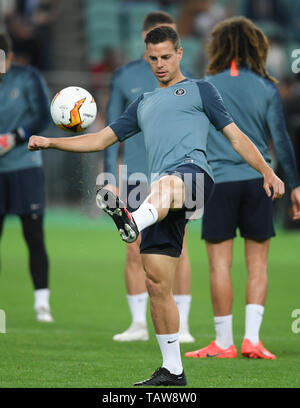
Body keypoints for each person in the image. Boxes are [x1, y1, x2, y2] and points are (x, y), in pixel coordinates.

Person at [28, 26, 284, 386]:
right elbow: (101, 139)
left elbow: (235, 135)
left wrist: (266, 171)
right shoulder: (143, 102)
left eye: (167, 56)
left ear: (179, 54)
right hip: (161, 200)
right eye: (153, 58)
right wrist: (50, 142)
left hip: (194, 177)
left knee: (164, 184)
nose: (160, 63)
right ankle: (172, 370)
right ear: (146, 57)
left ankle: (131, 219)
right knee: (156, 282)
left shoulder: (201, 90)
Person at [185, 16, 300, 361]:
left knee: (220, 266)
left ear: (217, 47)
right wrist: (295, 185)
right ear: (256, 47)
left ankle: (223, 343)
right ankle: (252, 340)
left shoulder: (205, 85)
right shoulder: (267, 87)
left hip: (218, 183)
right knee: (258, 266)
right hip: (259, 182)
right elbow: (280, 140)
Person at [104, 11, 195, 343]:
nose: (161, 54)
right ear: (145, 42)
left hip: (180, 175)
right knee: (133, 247)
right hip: (135, 174)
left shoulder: (190, 83)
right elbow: (110, 130)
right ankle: (138, 324)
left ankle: (182, 324)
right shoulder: (124, 76)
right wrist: (107, 175)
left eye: (168, 41)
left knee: (180, 248)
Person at [0, 32, 53, 322]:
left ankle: (42, 303)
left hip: (24, 166)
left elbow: (43, 114)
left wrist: (15, 137)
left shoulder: (27, 77)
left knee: (33, 236)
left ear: (9, 57)